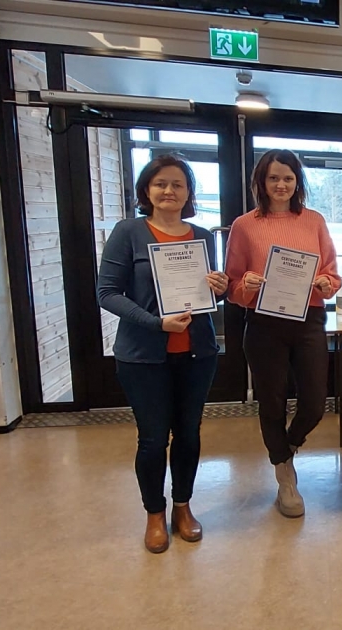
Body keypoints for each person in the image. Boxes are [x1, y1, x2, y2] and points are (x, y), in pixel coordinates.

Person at [98, 154, 229, 554]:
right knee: (154, 439)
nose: (169, 191)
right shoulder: (129, 232)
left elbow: (205, 297)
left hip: (197, 353)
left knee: (188, 434)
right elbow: (107, 293)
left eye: (178, 184)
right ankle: (154, 513)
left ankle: (182, 507)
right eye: (160, 184)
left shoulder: (202, 236)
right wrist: (156, 323)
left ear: (189, 193)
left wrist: (219, 288)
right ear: (147, 190)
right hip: (143, 357)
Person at [225, 149, 341, 519]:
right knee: (272, 403)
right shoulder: (245, 225)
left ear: (297, 182)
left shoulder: (314, 221)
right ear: (261, 182)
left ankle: (285, 450)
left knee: (315, 403)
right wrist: (246, 285)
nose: (281, 184)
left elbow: (332, 274)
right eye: (273, 177)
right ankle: (285, 478)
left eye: (288, 178)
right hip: (264, 323)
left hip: (309, 320)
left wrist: (327, 283)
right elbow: (231, 285)